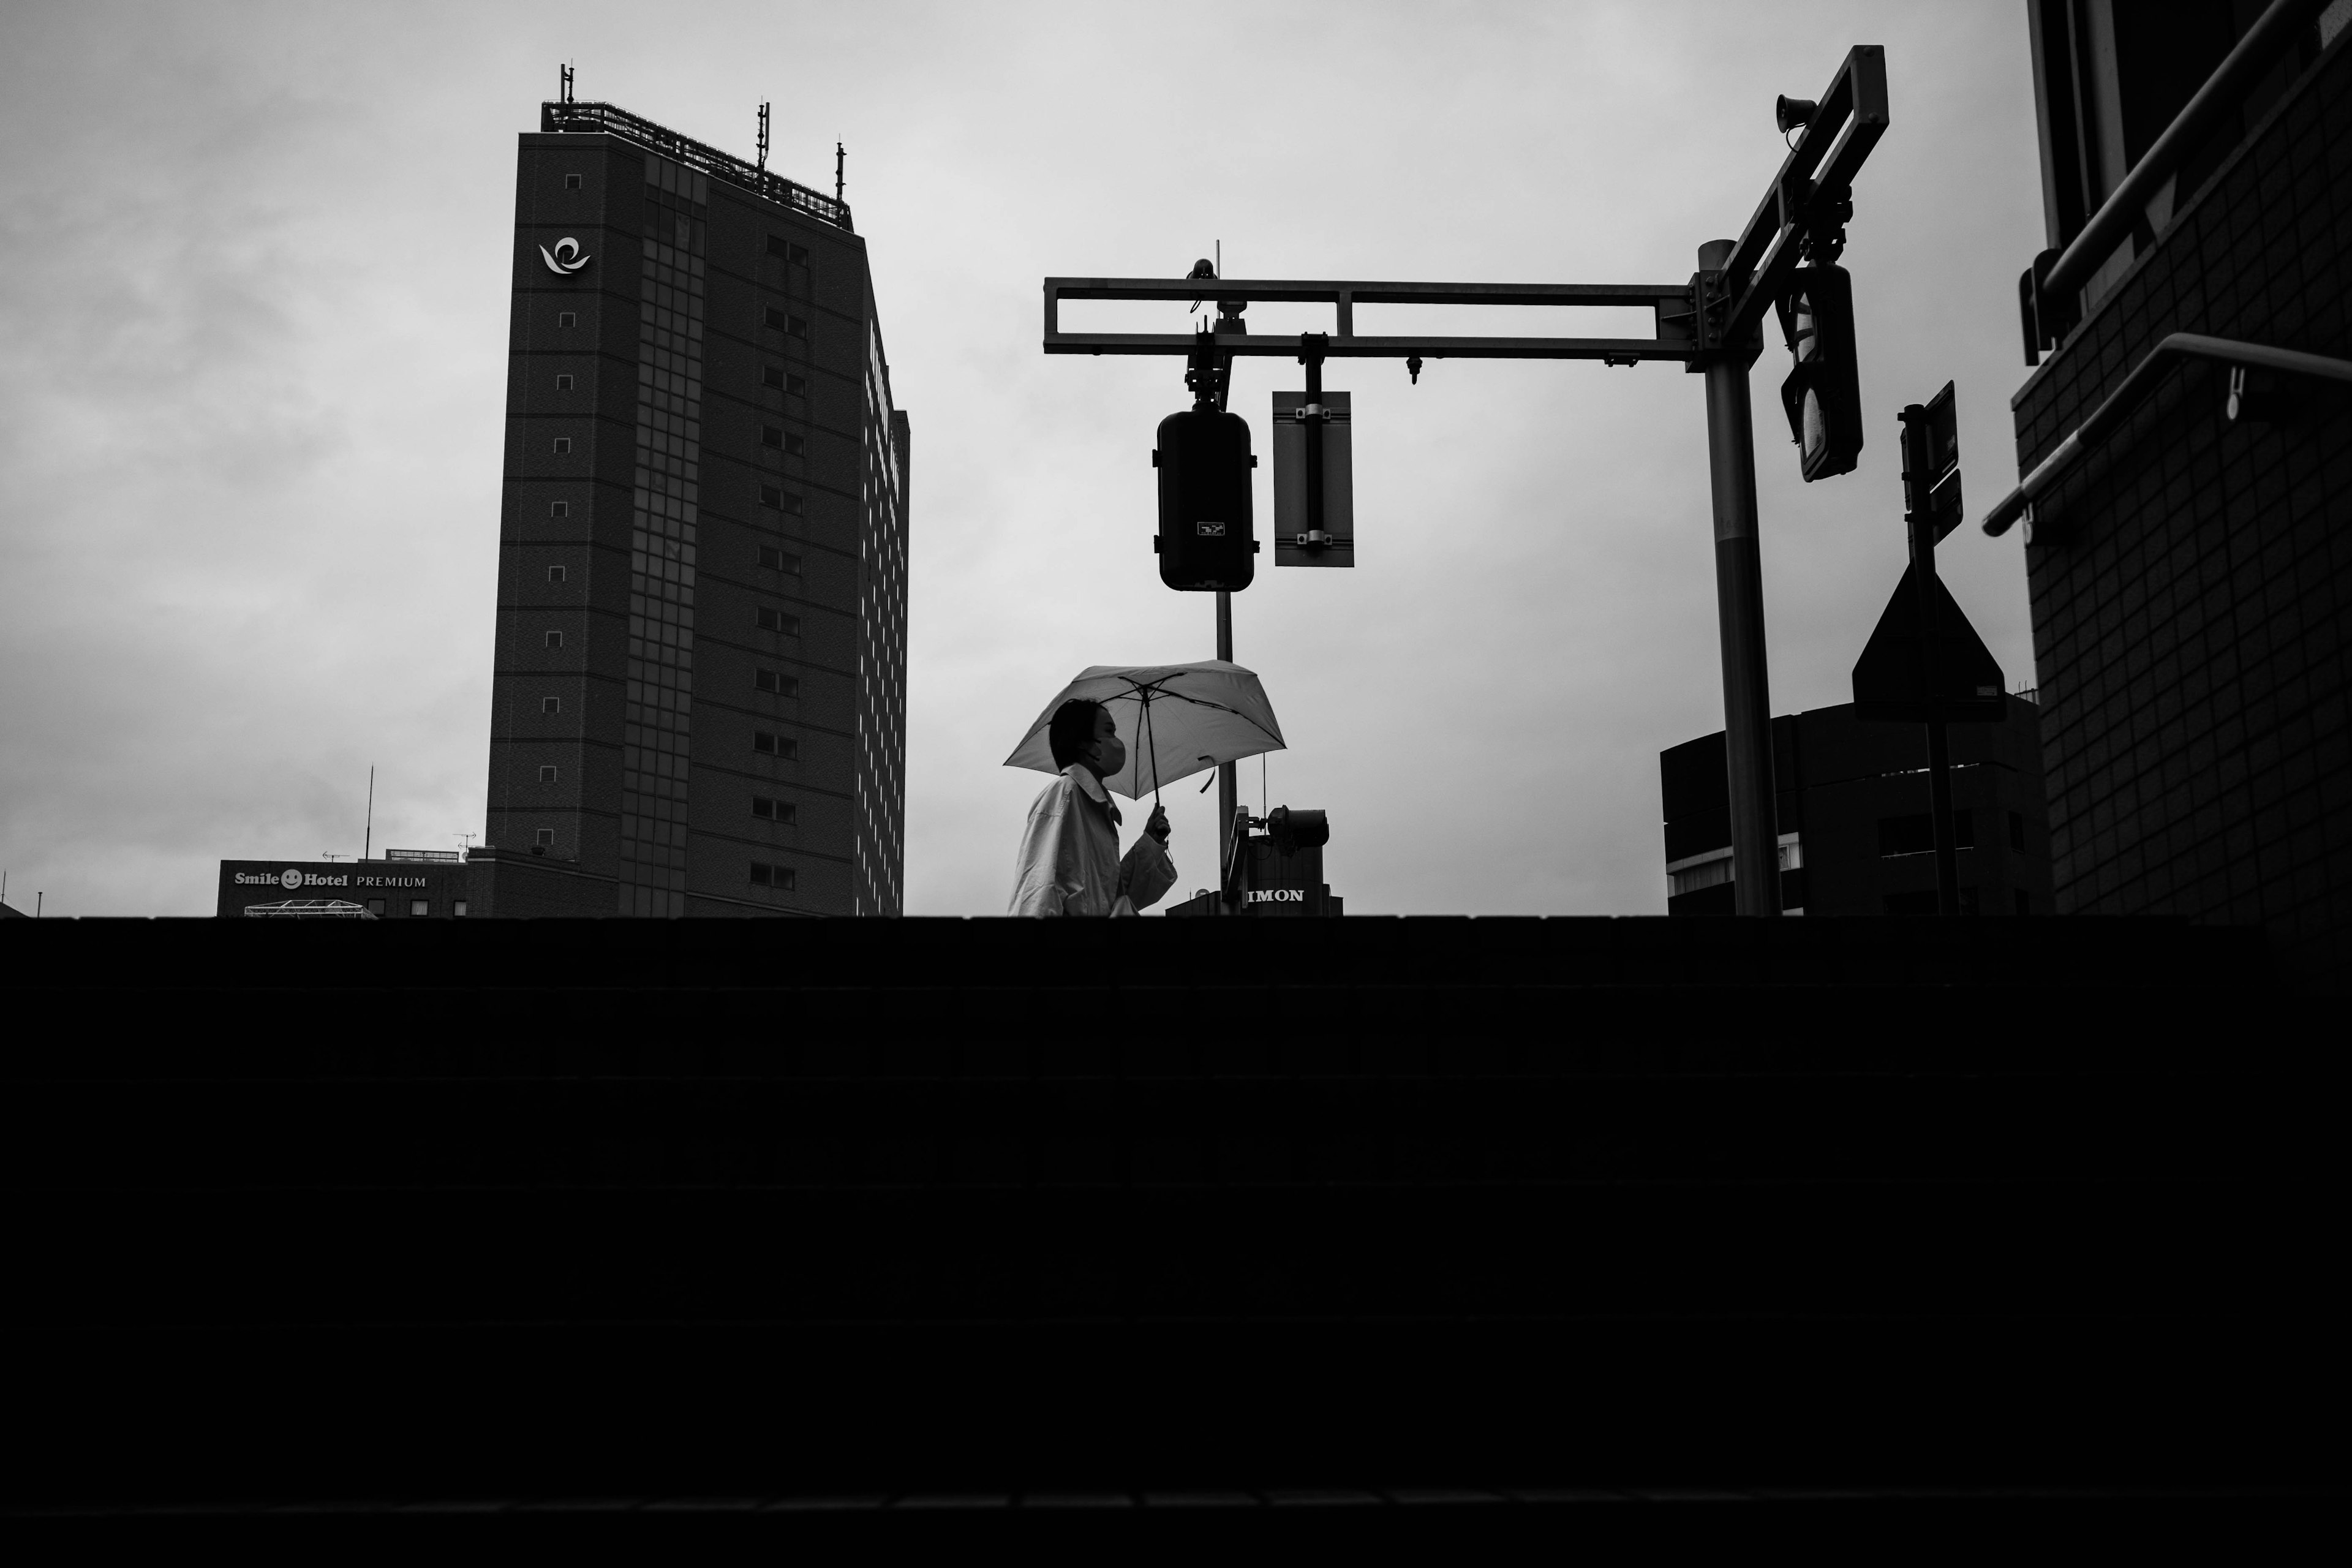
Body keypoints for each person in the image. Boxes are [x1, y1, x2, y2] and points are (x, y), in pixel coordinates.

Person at [1009, 699, 1176, 916]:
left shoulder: (1095, 806)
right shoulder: (1064, 795)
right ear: (1081, 741)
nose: (1116, 742)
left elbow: (1112, 897)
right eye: (1109, 732)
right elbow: (1037, 891)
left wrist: (1151, 842)